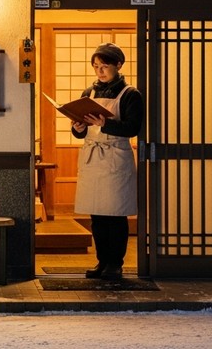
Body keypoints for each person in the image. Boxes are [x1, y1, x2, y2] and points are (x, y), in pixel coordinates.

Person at [70, 42, 143, 280]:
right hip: (93, 158)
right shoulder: (87, 93)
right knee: (97, 215)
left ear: (119, 65)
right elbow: (81, 131)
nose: (99, 71)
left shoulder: (130, 94)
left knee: (115, 214)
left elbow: (134, 127)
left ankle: (116, 263)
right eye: (95, 66)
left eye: (104, 66)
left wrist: (105, 124)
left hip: (115, 157)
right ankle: (102, 262)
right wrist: (78, 127)